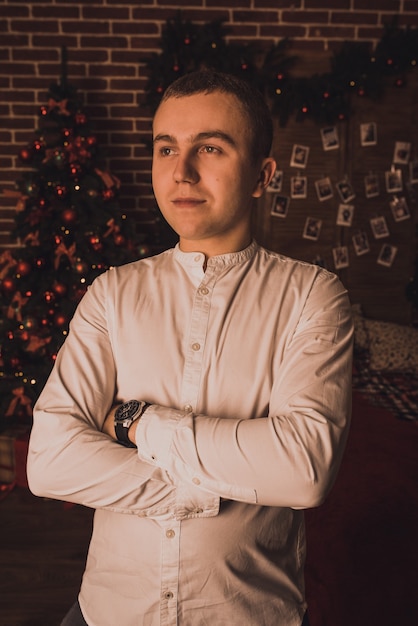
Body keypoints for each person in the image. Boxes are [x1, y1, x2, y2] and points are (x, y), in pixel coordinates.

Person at [27, 69, 353, 626]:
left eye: (210, 147)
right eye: (166, 149)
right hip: (108, 612)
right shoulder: (112, 293)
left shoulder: (312, 296)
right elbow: (50, 461)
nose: (182, 172)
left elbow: (302, 468)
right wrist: (204, 489)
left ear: (261, 175)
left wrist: (137, 423)